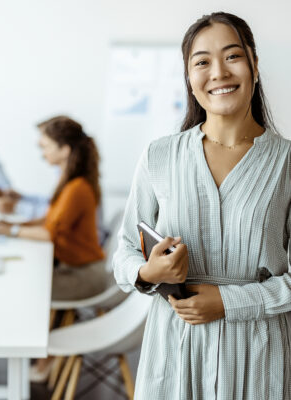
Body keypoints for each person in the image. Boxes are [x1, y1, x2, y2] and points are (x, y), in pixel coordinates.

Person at [114, 12, 291, 399]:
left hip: (256, 357)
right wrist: (148, 270)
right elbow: (123, 253)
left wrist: (229, 302)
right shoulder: (159, 156)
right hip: (174, 352)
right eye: (202, 62)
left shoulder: (287, 163)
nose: (218, 73)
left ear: (255, 67)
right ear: (190, 79)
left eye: (232, 56)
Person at [0, 115, 106, 298]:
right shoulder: (69, 182)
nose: (42, 153)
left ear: (64, 150)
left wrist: (11, 230)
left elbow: (50, 234)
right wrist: (13, 226)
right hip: (73, 268)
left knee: (20, 289)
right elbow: (50, 220)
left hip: (84, 275)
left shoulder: (77, 188)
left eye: (46, 147)